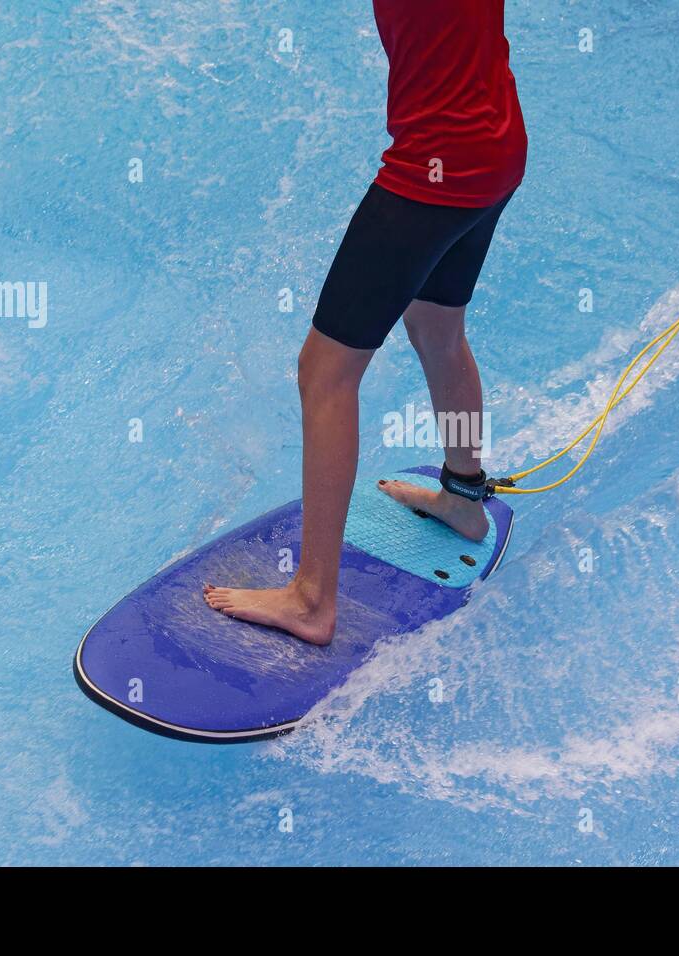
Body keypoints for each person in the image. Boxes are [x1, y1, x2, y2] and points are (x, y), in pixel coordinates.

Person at [204, 0, 527, 644]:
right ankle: (464, 500)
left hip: (432, 174)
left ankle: (312, 598)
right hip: (496, 151)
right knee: (437, 330)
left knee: (324, 374)